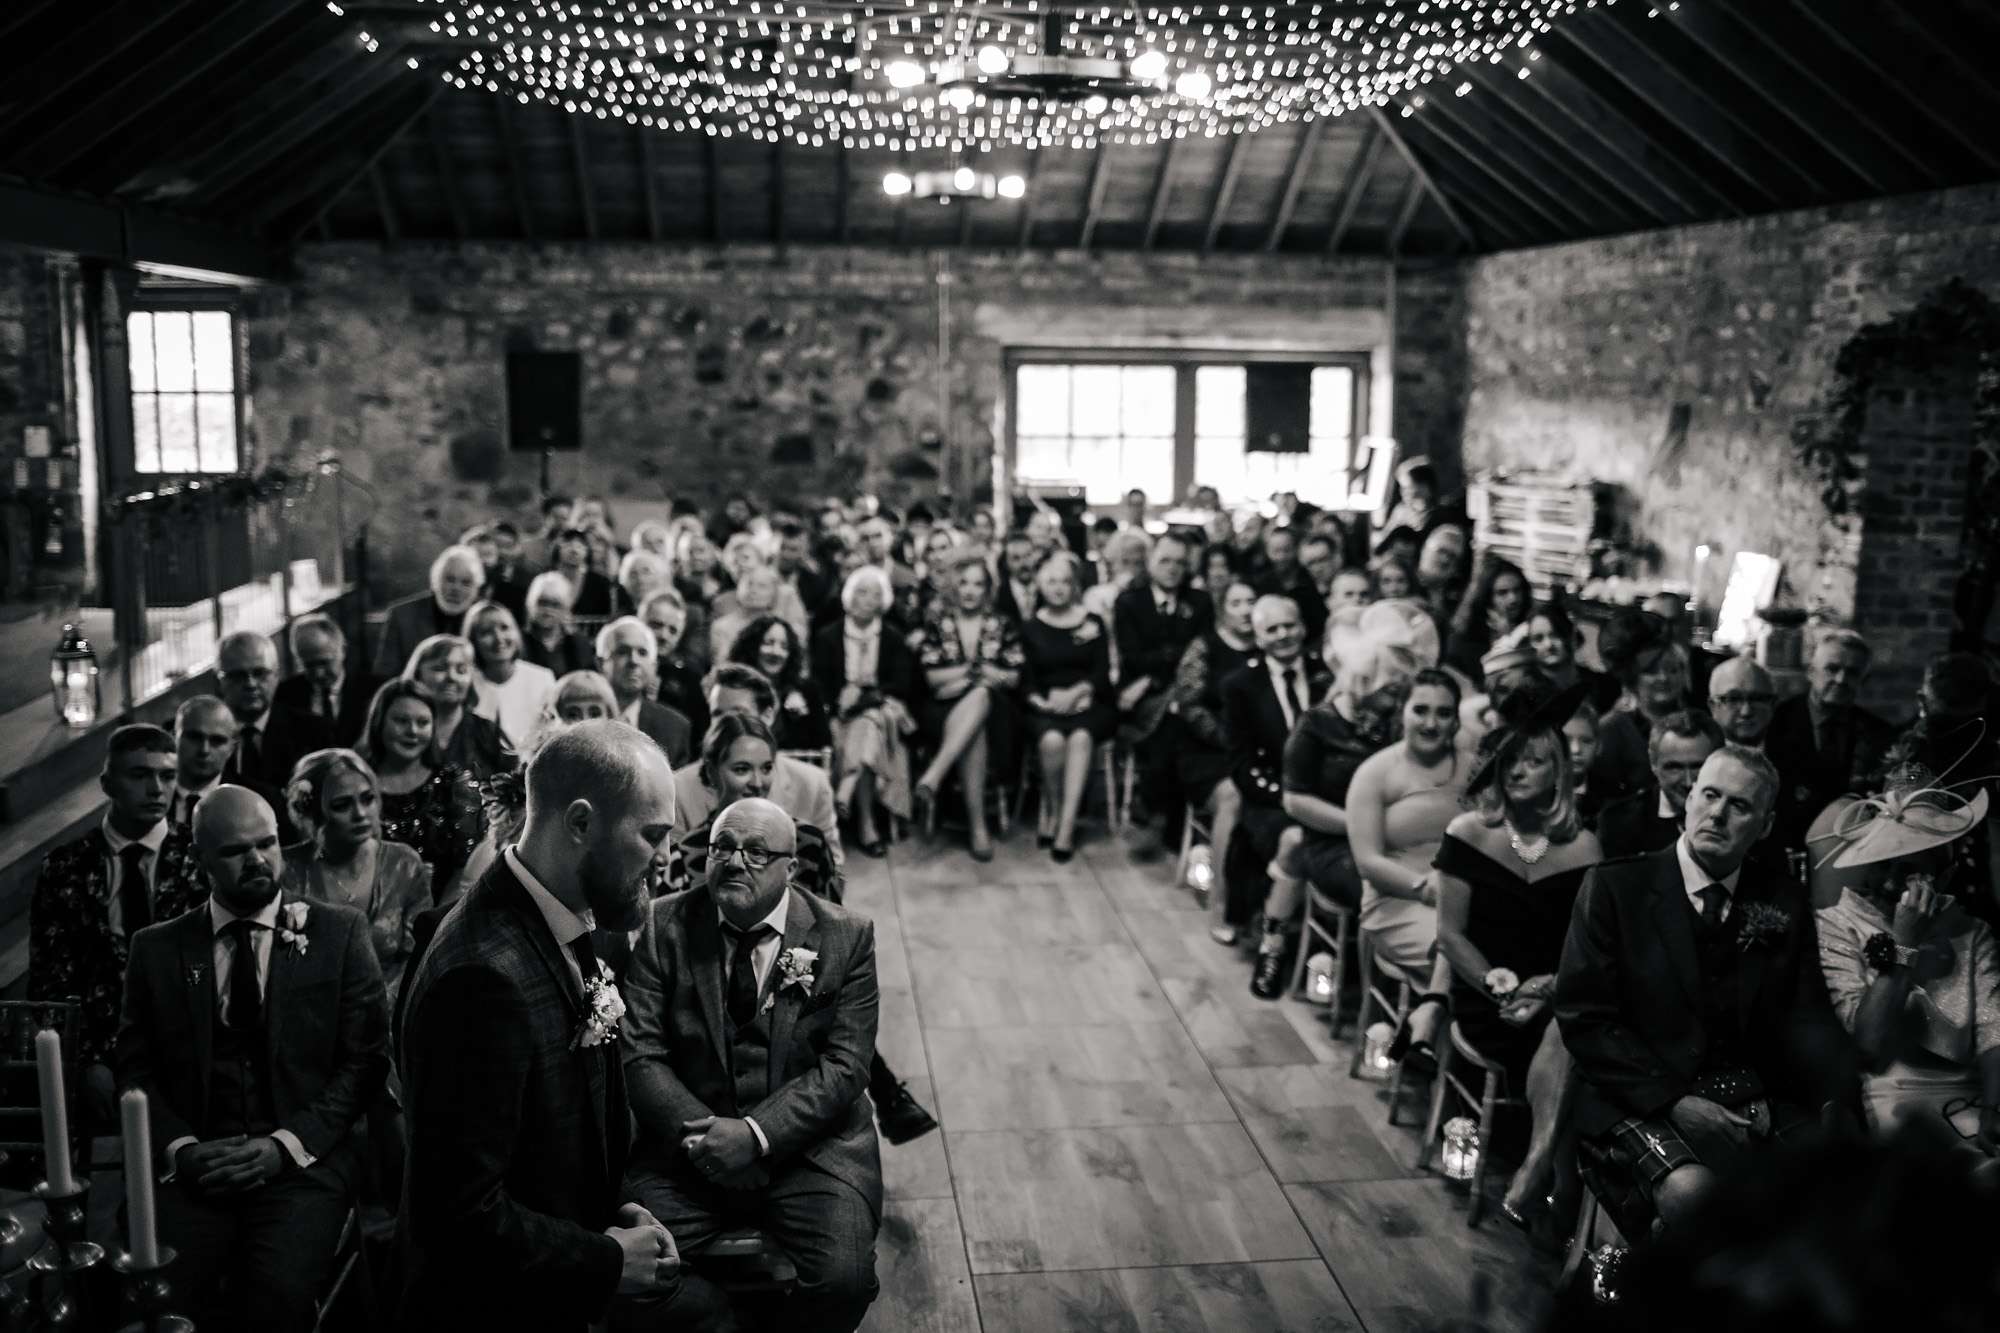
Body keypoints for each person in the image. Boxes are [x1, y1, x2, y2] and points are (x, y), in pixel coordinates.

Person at [398, 723, 706, 1333]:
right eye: (653, 835)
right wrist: (608, 1259)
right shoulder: (482, 979)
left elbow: (547, 1134)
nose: (667, 858)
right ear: (581, 823)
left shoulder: (558, 909)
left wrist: (615, 1208)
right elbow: (459, 1214)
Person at [116, 785, 389, 1333]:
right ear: (201, 861)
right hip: (196, 1167)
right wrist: (181, 1149)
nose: (258, 860)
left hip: (301, 1167)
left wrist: (284, 1146)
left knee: (274, 1301)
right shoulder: (157, 948)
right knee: (151, 1292)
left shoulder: (338, 932)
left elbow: (365, 1063)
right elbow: (134, 1070)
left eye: (267, 844)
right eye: (236, 851)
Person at [1556, 746, 1856, 1239]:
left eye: (1739, 805)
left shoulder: (1781, 897)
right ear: (1689, 798)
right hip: (1635, 1099)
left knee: (1836, 1191)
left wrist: (1835, 1105)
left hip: (1754, 1096)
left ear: (1765, 824)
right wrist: (1674, 1102)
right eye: (1710, 795)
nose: (1717, 813)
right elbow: (1585, 1020)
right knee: (1697, 1199)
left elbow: (1810, 1017)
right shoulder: (1616, 887)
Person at [621, 796, 883, 1333]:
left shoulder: (846, 936)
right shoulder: (661, 924)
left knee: (845, 1280)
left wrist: (756, 1136)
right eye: (723, 847)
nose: (735, 862)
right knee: (626, 1277)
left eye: (757, 852)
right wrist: (712, 1145)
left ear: (792, 867)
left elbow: (845, 1066)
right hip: (686, 1155)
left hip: (813, 1152)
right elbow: (640, 1054)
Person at [1432, 679, 1602, 1245]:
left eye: (1535, 761)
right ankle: (1558, 1185)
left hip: (1555, 995)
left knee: (1570, 1031)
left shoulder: (1585, 847)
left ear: (1560, 771)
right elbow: (1450, 935)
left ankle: (1540, 1169)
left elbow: (1583, 946)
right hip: (1486, 995)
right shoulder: (1469, 833)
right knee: (1570, 1041)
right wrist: (1499, 987)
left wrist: (1548, 987)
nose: (1519, 771)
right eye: (1511, 761)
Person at [1813, 770, 2000, 1160]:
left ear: (1943, 875)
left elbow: (1994, 1034)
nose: (1889, 883)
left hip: (1970, 1097)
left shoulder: (1973, 932)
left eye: (1910, 870)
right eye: (1883, 864)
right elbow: (1868, 1045)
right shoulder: (1835, 924)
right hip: (1888, 1100)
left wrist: (1993, 1111)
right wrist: (1904, 945)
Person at [31, 725, 210, 1082]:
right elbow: (50, 978)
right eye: (140, 775)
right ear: (107, 784)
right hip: (98, 1056)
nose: (156, 789)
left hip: (192, 1050)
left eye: (167, 776)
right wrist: (87, 1061)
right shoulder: (66, 866)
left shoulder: (201, 854)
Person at [1254, 637, 1417, 996]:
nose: (1398, 699)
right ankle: (1381, 993)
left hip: (1392, 837)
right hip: (1330, 837)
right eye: (1391, 690)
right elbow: (1296, 801)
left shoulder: (1397, 723)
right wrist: (1360, 826)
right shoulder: (1316, 724)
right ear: (1364, 681)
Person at [1346, 669, 1468, 1062]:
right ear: (1402, 713)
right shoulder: (1375, 773)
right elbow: (1367, 861)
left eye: (1444, 713)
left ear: (1457, 719)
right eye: (1421, 710)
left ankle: (1434, 1030)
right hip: (1397, 900)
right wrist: (1425, 887)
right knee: (1460, 957)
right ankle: (1443, 1060)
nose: (1432, 723)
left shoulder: (1475, 768)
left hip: (1464, 895)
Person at [1219, 596, 1333, 960]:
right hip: (1270, 799)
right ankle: (1275, 936)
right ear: (1258, 636)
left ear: (1302, 627)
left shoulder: (1327, 675)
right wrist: (1286, 797)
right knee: (1294, 838)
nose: (1284, 635)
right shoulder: (1240, 685)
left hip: (1329, 795)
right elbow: (1240, 763)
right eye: (1272, 629)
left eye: (1290, 625)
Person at [281, 748, 431, 1002]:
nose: (360, 814)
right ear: (313, 810)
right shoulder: (287, 869)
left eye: (367, 799)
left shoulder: (403, 864)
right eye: (342, 805)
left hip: (389, 1013)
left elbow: (418, 957)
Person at [911, 551, 1023, 861]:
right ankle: (978, 828)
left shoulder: (1002, 623)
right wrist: (981, 671)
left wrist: (964, 677)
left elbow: (1013, 676)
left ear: (987, 589)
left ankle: (935, 774)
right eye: (964, 583)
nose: (970, 590)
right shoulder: (938, 623)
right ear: (954, 588)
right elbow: (933, 677)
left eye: (978, 584)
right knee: (977, 718)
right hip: (943, 710)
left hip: (997, 711)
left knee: (982, 698)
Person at [676, 665, 843, 861]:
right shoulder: (679, 788)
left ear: (768, 716)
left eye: (739, 714)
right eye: (718, 714)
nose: (727, 725)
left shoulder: (812, 785)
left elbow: (834, 873)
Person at [1169, 578, 1261, 922]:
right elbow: (1190, 705)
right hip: (1209, 753)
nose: (1246, 610)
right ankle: (1220, 901)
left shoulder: (1271, 648)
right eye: (1236, 603)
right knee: (1233, 798)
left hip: (1262, 753)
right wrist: (1232, 741)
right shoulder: (1205, 646)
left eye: (1251, 601)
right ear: (1223, 610)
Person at [812, 566, 917, 858]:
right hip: (838, 715)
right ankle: (866, 824)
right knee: (864, 728)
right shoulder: (827, 636)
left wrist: (864, 697)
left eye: (875, 593)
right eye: (861, 591)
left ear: (883, 601)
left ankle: (859, 810)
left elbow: (901, 685)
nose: (867, 599)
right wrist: (839, 704)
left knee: (868, 723)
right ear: (848, 596)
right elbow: (819, 687)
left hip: (879, 714)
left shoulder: (893, 637)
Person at [1115, 533, 1210, 848]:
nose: (1172, 569)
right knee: (1176, 717)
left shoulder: (1199, 602)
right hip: (1139, 697)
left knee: (1179, 716)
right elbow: (1133, 656)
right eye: (1165, 561)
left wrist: (1154, 675)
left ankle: (1151, 795)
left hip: (1184, 692)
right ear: (1151, 562)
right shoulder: (1129, 601)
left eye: (1180, 563)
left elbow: (1200, 654)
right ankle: (1171, 818)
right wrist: (1166, 665)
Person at [1766, 628, 1896, 858]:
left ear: (1863, 680)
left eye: (1852, 673)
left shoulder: (1880, 735)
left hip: (1850, 853)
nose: (1841, 680)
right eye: (1832, 669)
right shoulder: (1775, 723)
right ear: (1810, 671)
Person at [1019, 551, 1115, 862]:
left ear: (1074, 585)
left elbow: (1102, 672)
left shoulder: (1092, 622)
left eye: (1065, 581)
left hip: (1089, 702)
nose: (1058, 588)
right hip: (1045, 705)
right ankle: (1053, 806)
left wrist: (1078, 692)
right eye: (1051, 581)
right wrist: (1043, 702)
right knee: (1051, 740)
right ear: (1040, 585)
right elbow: (1026, 679)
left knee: (1081, 738)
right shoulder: (1031, 627)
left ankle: (1066, 828)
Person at [358, 679, 485, 904]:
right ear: (379, 722)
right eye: (401, 721)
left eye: (423, 722)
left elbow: (464, 871)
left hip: (441, 914)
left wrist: (433, 923)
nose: (413, 731)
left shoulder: (454, 783)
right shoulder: (355, 782)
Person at [216, 631, 332, 806]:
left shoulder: (314, 732)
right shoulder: (198, 735)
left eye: (260, 673)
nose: (250, 684)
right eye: (238, 676)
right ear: (219, 680)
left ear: (276, 676)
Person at [1597, 710, 1725, 858]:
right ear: (1653, 764)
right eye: (1674, 768)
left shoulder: (1740, 818)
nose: (1689, 782)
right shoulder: (1617, 823)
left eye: (1698, 767)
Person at [403, 632, 518, 781]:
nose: (451, 677)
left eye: (461, 670)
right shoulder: (398, 727)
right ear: (417, 674)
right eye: (440, 668)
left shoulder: (488, 734)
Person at [375, 544, 488, 677]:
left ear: (476, 590)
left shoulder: (486, 618)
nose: (456, 589)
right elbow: (384, 678)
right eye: (450, 580)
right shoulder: (402, 616)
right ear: (435, 581)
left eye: (466, 583)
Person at [170, 694, 279, 832]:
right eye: (194, 738)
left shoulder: (263, 801)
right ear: (174, 738)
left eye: (217, 741)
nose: (204, 750)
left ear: (232, 748)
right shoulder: (152, 795)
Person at [598, 616, 695, 765]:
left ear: (654, 666)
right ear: (601, 663)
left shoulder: (674, 728)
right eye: (622, 651)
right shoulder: (581, 716)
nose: (634, 661)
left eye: (642, 653)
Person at [276, 614, 383, 749]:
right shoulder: (284, 697)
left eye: (324, 662)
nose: (318, 674)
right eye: (308, 666)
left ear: (343, 650)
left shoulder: (375, 690)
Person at [728, 613, 831, 752]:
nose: (776, 652)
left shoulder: (807, 691)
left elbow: (823, 745)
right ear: (752, 646)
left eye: (784, 647)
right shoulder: (732, 688)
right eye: (768, 643)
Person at [465, 600, 558, 747]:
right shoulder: (465, 682)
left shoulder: (543, 678)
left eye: (505, 628)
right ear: (472, 640)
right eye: (486, 632)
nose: (498, 638)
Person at [1447, 554, 1535, 685]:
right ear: (1487, 598)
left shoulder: (1531, 633)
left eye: (1517, 590)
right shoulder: (1464, 643)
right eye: (1502, 593)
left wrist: (1509, 636)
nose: (1513, 599)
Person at [640, 588, 711, 745]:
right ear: (640, 622)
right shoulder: (616, 666)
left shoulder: (690, 677)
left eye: (672, 630)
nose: (664, 636)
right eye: (656, 625)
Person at [1524, 602, 1621, 715]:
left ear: (1570, 636)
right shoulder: (1527, 697)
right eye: (1538, 639)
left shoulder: (1605, 686)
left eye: (1555, 635)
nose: (1548, 645)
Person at [1254, 526, 1329, 654]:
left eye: (1286, 550)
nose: (1282, 557)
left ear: (1295, 550)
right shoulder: (1261, 583)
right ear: (1267, 551)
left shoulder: (1309, 579)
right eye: (1276, 551)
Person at [522, 571, 598, 677]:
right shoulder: (520, 641)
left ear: (565, 609)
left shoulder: (578, 643)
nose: (547, 610)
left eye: (555, 604)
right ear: (530, 605)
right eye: (542, 602)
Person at [1706, 655, 1780, 749]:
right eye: (1733, 699)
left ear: (1773, 704)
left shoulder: (1797, 757)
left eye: (1757, 699)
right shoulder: (1696, 760)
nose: (1746, 712)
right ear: (1713, 707)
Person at [549, 526, 617, 620]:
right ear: (557, 549)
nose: (574, 550)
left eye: (580, 546)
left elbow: (608, 618)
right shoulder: (545, 580)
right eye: (568, 544)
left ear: (587, 551)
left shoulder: (600, 583)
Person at [616, 550, 670, 619]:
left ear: (660, 575)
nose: (640, 579)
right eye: (633, 574)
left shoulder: (676, 612)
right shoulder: (622, 619)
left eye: (646, 572)